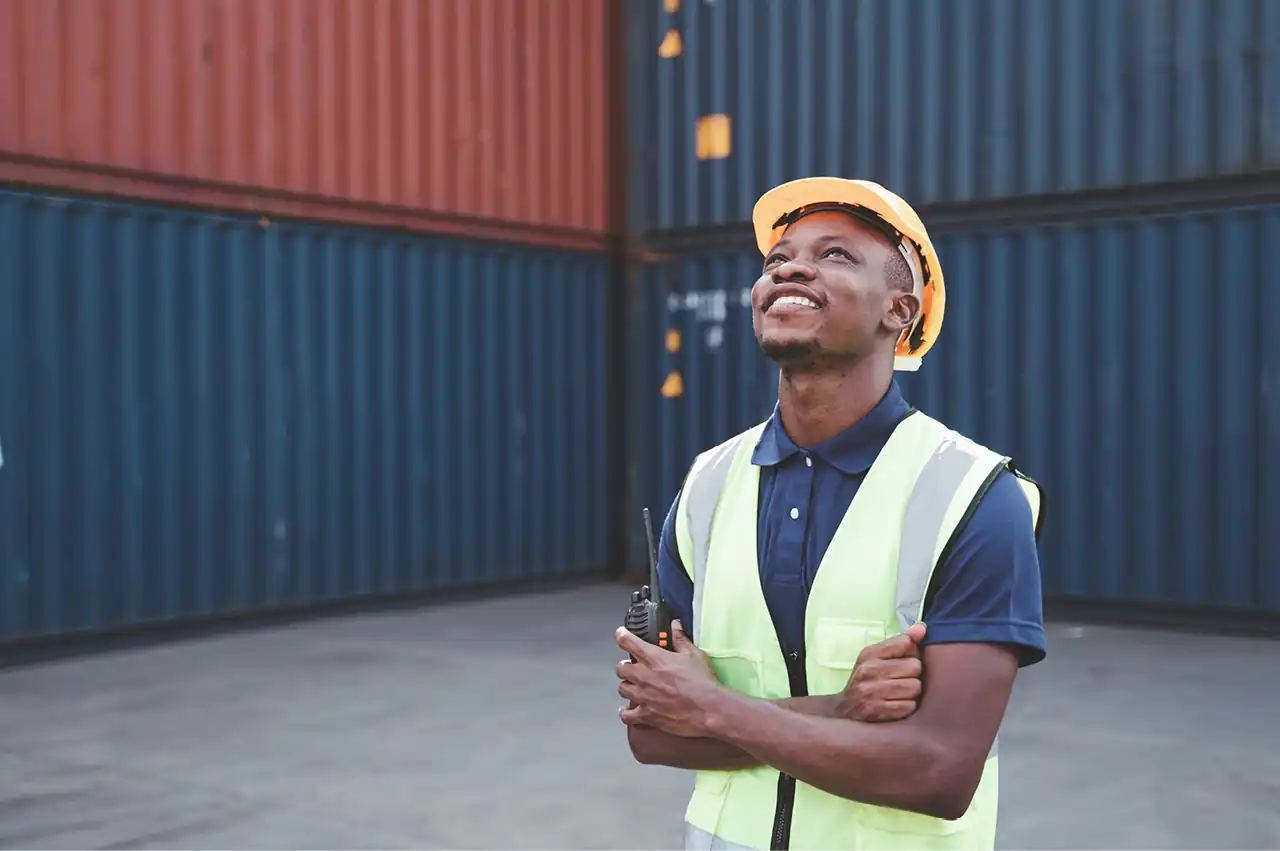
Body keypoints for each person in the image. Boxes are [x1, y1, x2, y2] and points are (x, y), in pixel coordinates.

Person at [615, 177, 1046, 851]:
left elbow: (939, 769)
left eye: (836, 254)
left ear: (899, 309)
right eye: (776, 258)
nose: (788, 267)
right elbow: (653, 732)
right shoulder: (707, 488)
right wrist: (841, 709)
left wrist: (713, 708)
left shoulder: (973, 496)